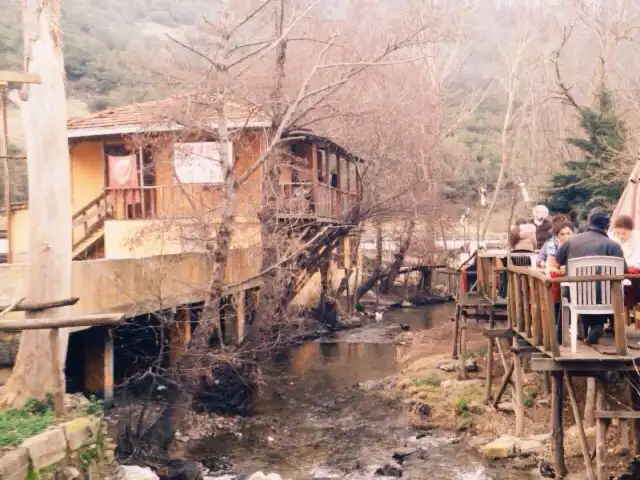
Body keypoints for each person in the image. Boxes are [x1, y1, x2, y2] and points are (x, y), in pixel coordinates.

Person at [555, 207, 626, 345]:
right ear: (607, 225)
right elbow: (623, 269)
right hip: (607, 298)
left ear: (589, 222)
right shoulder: (613, 245)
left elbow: (558, 260)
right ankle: (599, 326)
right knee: (602, 291)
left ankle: (563, 336)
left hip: (576, 294)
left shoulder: (572, 241)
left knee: (576, 292)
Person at [545, 217, 574, 344]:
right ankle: (558, 330)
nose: (566, 236)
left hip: (572, 277)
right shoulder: (552, 244)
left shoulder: (576, 243)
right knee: (558, 294)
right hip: (556, 276)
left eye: (568, 233)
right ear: (557, 235)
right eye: (562, 234)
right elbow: (551, 264)